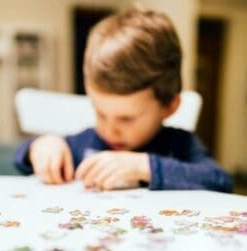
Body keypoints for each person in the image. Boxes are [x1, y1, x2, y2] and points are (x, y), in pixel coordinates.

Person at [14, 7, 233, 192]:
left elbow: (220, 181)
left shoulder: (180, 145)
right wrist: (41, 146)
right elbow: (21, 161)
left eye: (126, 119)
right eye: (100, 112)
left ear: (169, 107)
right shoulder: (87, 143)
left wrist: (144, 166)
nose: (109, 130)